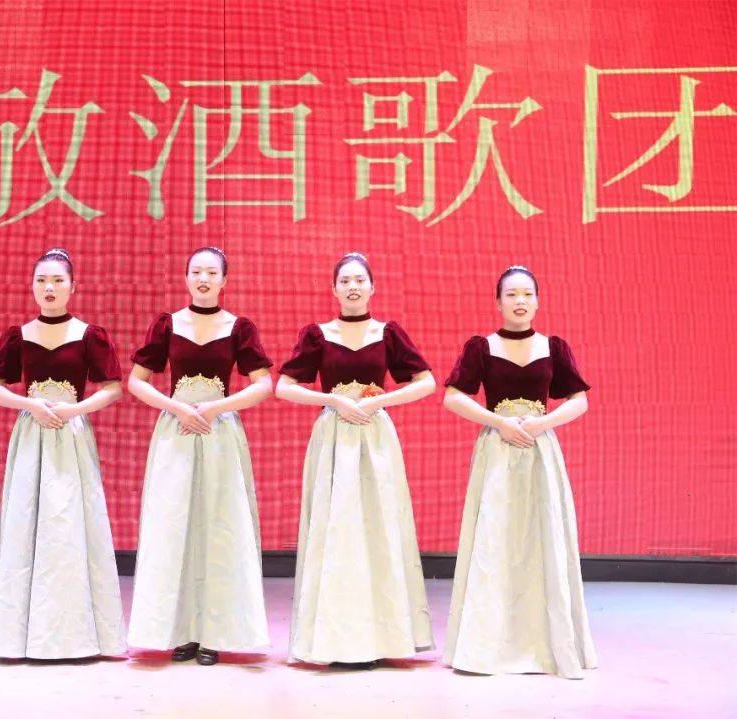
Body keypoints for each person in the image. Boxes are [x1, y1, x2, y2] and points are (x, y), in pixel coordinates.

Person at [276, 252, 435, 667]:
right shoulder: (318, 335)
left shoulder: (387, 333)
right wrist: (333, 400)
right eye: (345, 281)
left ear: (372, 287)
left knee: (377, 527)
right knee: (336, 530)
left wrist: (380, 401)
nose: (352, 287)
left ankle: (382, 639)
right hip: (334, 435)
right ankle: (333, 639)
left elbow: (426, 382)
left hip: (375, 436)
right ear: (334, 289)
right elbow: (284, 386)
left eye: (359, 280)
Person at [442, 265, 597, 679]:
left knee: (542, 538)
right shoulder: (481, 347)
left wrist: (542, 424)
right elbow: (453, 397)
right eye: (511, 294)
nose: (520, 301)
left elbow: (579, 400)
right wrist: (500, 423)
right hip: (498, 450)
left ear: (538, 301)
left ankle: (546, 644)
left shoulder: (553, 347)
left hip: (539, 452)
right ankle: (486, 647)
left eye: (527, 294)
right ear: (498, 302)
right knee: (495, 539)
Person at [126, 247, 273, 666]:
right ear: (186, 278)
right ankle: (180, 631)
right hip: (176, 432)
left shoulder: (239, 328)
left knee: (220, 528)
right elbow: (136, 381)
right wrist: (176, 408)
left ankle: (215, 633)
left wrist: (214, 408)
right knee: (175, 526)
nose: (203, 279)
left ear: (224, 280)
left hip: (218, 432)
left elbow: (263, 384)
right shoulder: (168, 324)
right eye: (196, 272)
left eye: (211, 273)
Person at [0, 248, 126, 660]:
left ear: (72, 286)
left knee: (70, 523)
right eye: (42, 280)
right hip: (32, 435)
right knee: (27, 521)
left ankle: (78, 635)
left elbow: (113, 388)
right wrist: (29, 405)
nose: (49, 287)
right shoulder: (18, 335)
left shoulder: (88, 334)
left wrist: (74, 411)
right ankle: (20, 637)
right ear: (32, 286)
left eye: (58, 280)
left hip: (71, 434)